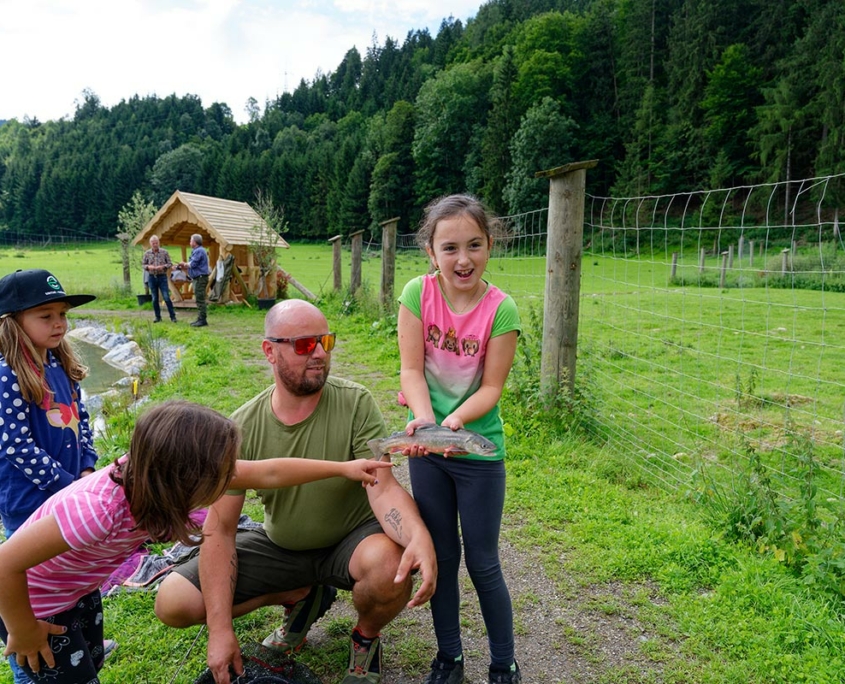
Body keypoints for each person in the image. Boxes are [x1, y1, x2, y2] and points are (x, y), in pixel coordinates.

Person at [0, 400, 392, 684]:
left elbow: (268, 472)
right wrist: (22, 629)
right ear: (182, 478)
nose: (229, 482)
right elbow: (5, 563)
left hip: (76, 592)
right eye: (220, 476)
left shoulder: (156, 476)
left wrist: (343, 468)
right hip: (32, 606)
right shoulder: (96, 512)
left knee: (89, 664)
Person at [155, 300, 438, 684]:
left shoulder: (355, 402)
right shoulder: (241, 426)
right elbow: (219, 530)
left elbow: (383, 488)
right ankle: (300, 593)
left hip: (350, 543)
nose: (320, 353)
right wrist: (220, 630)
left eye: (325, 341)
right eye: (304, 345)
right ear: (269, 351)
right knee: (174, 602)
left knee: (391, 569)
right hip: (281, 546)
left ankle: (365, 638)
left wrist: (418, 536)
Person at [397, 194, 522, 684]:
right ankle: (448, 658)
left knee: (484, 562)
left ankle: (503, 663)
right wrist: (428, 426)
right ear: (431, 251)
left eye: (474, 245)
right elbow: (410, 369)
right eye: (449, 248)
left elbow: (491, 387)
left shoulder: (502, 309)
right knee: (442, 557)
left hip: (478, 453)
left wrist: (454, 425)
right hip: (428, 451)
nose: (463, 259)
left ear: (490, 245)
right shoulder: (416, 294)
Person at [0, 268, 100, 684]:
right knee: (39, 591)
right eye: (46, 315)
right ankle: (32, 664)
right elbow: (15, 447)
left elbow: (83, 422)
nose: (59, 322)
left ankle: (80, 647)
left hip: (70, 495)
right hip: (30, 508)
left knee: (74, 576)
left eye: (62, 313)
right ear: (12, 322)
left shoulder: (61, 363)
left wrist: (89, 468)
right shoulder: (6, 374)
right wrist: (71, 486)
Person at [177, 233, 211, 327]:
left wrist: (184, 264)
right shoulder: (197, 250)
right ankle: (200, 318)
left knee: (200, 298)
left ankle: (202, 320)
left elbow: (193, 264)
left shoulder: (199, 251)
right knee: (199, 298)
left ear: (195, 242)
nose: (190, 242)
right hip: (197, 278)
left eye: (191, 240)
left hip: (200, 278)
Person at [142, 235, 178, 323]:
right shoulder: (147, 253)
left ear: (159, 243)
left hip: (162, 276)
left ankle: (173, 317)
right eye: (153, 243)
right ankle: (157, 317)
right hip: (152, 277)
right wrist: (148, 267)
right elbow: (143, 264)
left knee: (166, 297)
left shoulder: (164, 252)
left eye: (156, 243)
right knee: (154, 298)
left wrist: (162, 267)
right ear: (150, 244)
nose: (155, 245)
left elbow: (169, 263)